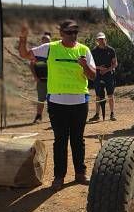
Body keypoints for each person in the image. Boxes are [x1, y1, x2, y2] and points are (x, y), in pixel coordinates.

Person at [21, 19, 96, 188]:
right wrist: (23, 39)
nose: (73, 35)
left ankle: (80, 174)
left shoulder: (84, 50)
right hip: (57, 102)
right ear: (61, 33)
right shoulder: (50, 48)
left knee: (78, 139)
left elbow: (93, 76)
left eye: (75, 32)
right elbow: (25, 55)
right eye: (69, 32)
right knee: (60, 140)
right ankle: (59, 176)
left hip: (79, 101)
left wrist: (84, 65)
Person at [18, 31, 51, 124]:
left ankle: (53, 115)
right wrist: (35, 76)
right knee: (41, 99)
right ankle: (38, 116)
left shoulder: (54, 52)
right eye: (45, 40)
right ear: (42, 41)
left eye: (48, 40)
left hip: (53, 80)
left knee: (53, 99)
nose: (46, 42)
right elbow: (31, 65)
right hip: (41, 80)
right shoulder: (37, 53)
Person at [90, 32, 118, 122]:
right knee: (98, 95)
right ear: (97, 40)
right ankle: (97, 114)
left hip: (109, 74)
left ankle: (112, 113)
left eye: (102, 39)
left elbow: (115, 64)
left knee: (110, 94)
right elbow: (90, 64)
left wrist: (107, 70)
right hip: (98, 75)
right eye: (99, 39)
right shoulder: (93, 51)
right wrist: (99, 68)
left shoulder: (111, 50)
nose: (101, 41)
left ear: (105, 39)